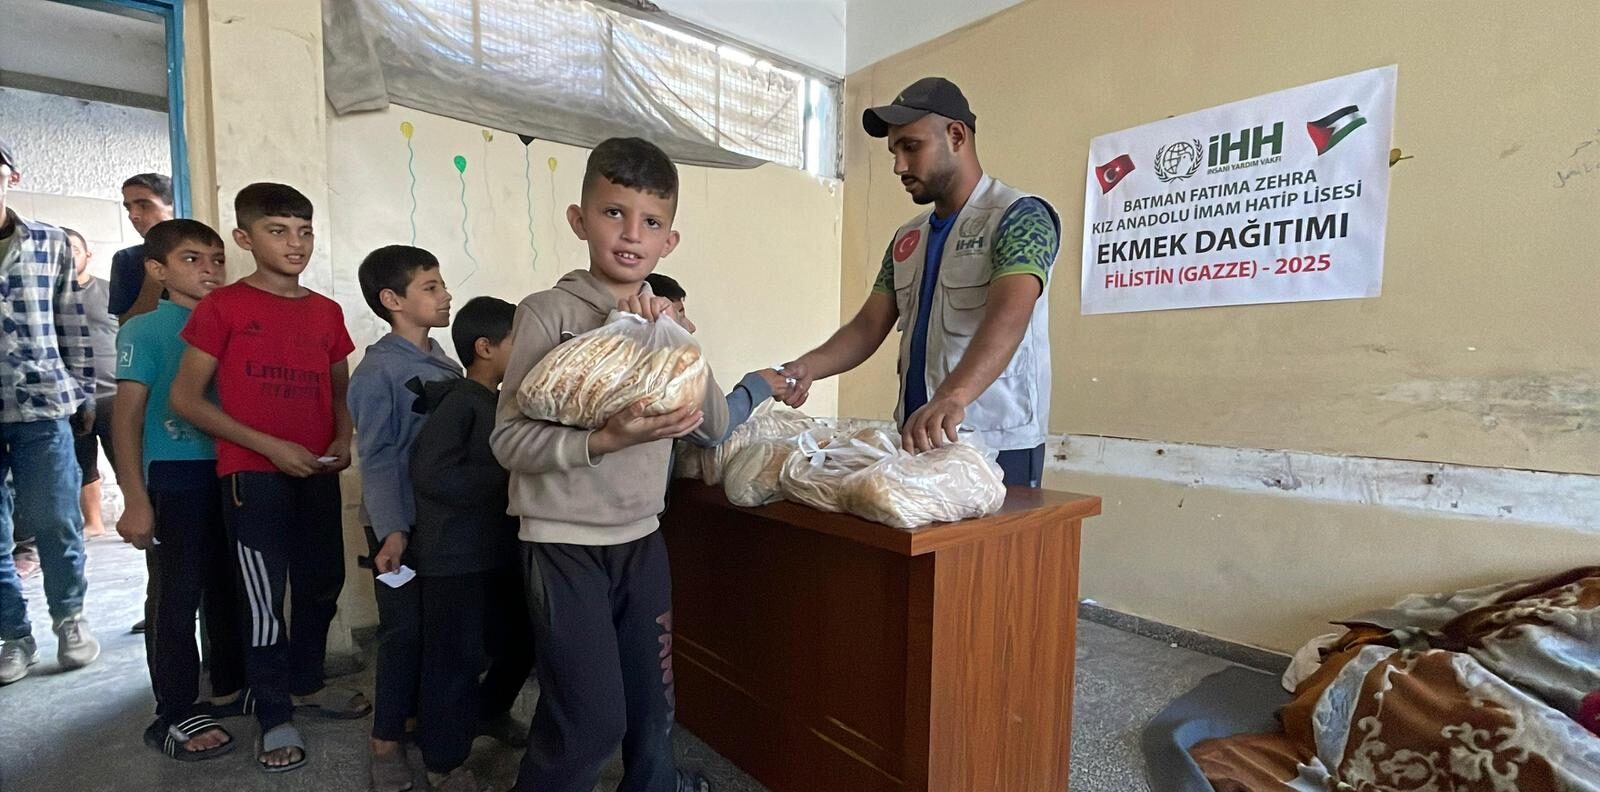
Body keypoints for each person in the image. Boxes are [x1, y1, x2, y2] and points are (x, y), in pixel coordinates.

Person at [491, 137, 737, 792]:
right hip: (563, 544)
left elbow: (715, 425)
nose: (632, 235)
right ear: (579, 219)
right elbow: (509, 441)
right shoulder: (548, 313)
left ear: (669, 240)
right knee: (592, 720)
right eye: (613, 213)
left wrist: (677, 338)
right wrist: (602, 440)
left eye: (650, 222)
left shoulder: (665, 321)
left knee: (653, 710)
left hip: (641, 540)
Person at [169, 182, 368, 772]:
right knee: (263, 600)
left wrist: (342, 438)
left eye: (304, 231)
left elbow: (339, 392)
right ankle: (275, 713)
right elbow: (185, 398)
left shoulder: (327, 312)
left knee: (321, 583)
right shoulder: (223, 307)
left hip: (316, 471)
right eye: (278, 230)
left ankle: (306, 684)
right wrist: (269, 447)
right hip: (253, 474)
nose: (296, 243)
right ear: (243, 238)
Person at [779, 77, 1061, 487]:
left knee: (989, 554)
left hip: (995, 444)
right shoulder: (907, 239)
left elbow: (1010, 316)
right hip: (918, 441)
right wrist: (808, 367)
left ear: (956, 135)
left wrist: (951, 398)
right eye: (894, 151)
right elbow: (867, 326)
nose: (898, 166)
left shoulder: (1019, 216)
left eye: (911, 147)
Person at [111, 218, 246, 760]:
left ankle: (231, 687)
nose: (209, 269)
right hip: (173, 473)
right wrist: (135, 498)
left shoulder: (234, 324)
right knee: (176, 594)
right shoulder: (143, 330)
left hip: (233, 468)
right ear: (158, 270)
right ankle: (173, 710)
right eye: (192, 260)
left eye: (216, 259)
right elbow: (125, 421)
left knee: (229, 585)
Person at [346, 244, 463, 792]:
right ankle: (386, 742)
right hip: (397, 525)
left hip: (440, 522)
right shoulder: (378, 371)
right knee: (402, 632)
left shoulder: (445, 363)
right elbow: (379, 456)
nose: (444, 296)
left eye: (442, 285)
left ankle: (423, 724)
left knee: (438, 631)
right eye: (431, 287)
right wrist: (393, 529)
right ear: (393, 300)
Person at [408, 296, 535, 792]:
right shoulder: (460, 401)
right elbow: (432, 474)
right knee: (455, 659)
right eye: (518, 342)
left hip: (498, 554)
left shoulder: (501, 402)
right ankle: (443, 761)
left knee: (520, 642)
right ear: (485, 347)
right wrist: (509, 477)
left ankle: (489, 712)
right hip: (455, 558)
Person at [0, 138, 102, 686]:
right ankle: (11, 635)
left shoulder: (50, 243)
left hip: (43, 406)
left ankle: (70, 620)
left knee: (56, 519)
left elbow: (70, 321)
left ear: (10, 176)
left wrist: (83, 389)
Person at [63, 228, 119, 539]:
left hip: (114, 394)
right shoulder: (49, 297)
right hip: (71, 397)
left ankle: (138, 515)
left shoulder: (111, 291)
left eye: (73, 248)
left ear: (88, 254)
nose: (68, 254)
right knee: (83, 464)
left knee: (126, 459)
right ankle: (93, 523)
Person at [109, 173, 176, 323]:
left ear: (174, 206)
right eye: (128, 208)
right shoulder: (126, 259)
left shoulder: (204, 252)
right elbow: (127, 325)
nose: (133, 215)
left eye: (144, 205)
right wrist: (154, 278)